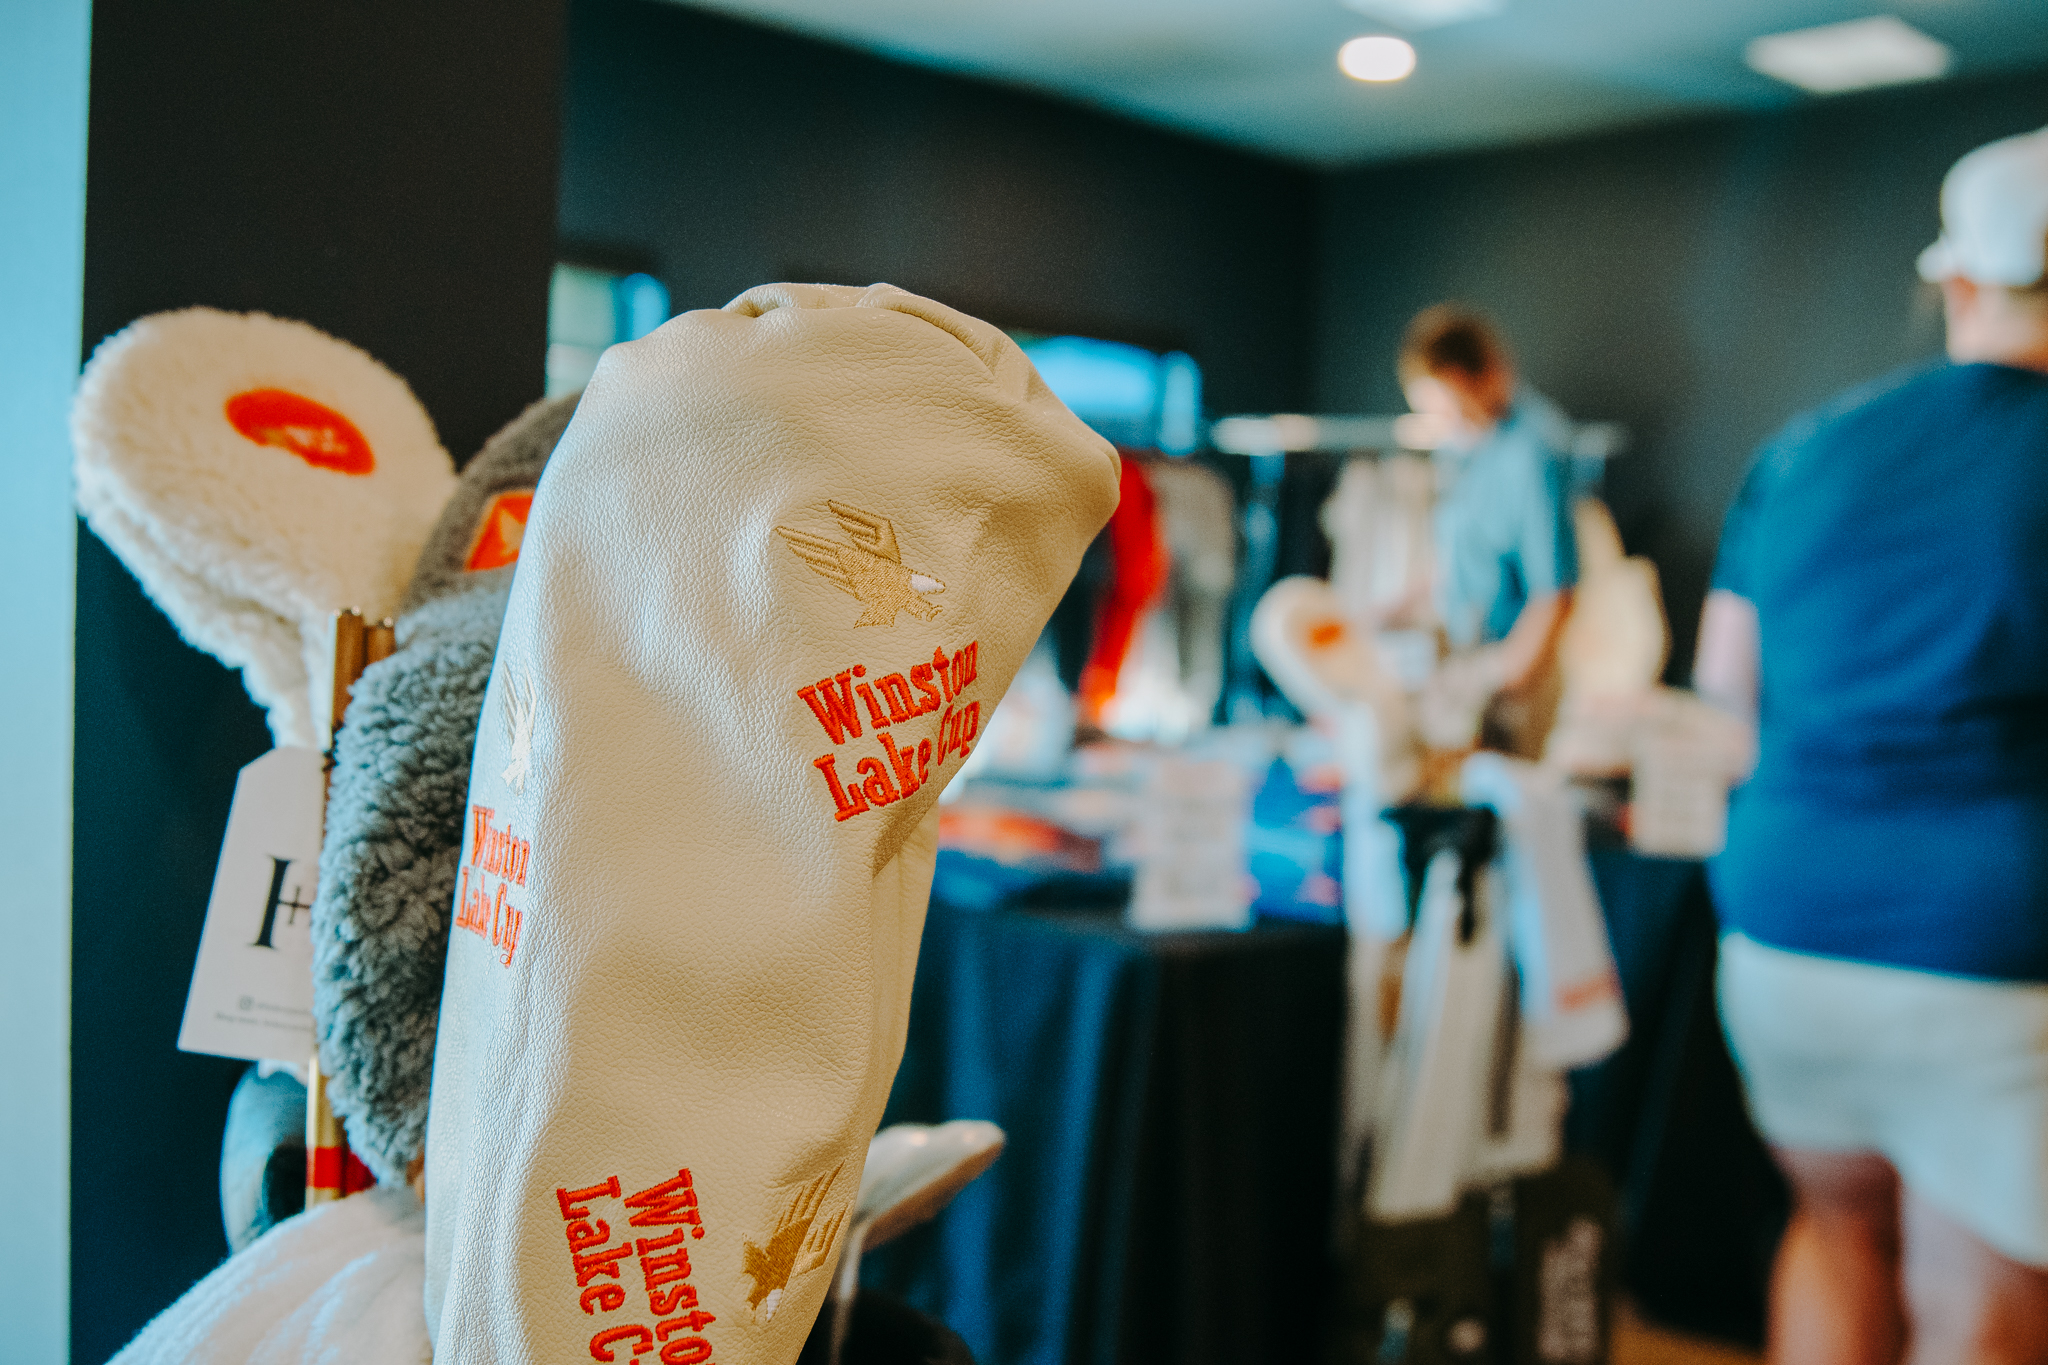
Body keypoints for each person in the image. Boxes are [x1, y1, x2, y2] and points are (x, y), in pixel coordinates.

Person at [1697, 125, 2048, 1365]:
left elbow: (1723, 701)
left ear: (1955, 282)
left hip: (1781, 927)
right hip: (1985, 946)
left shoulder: (1803, 448)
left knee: (1831, 1229)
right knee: (1973, 1283)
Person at [1400, 304, 1580, 758]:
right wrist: (1385, 612)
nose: (1443, 426)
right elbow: (1459, 556)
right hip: (1468, 654)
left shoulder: (1534, 453)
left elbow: (1554, 595)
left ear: (1482, 376)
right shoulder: (1465, 446)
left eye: (1448, 409)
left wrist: (1497, 680)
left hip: (1517, 675)